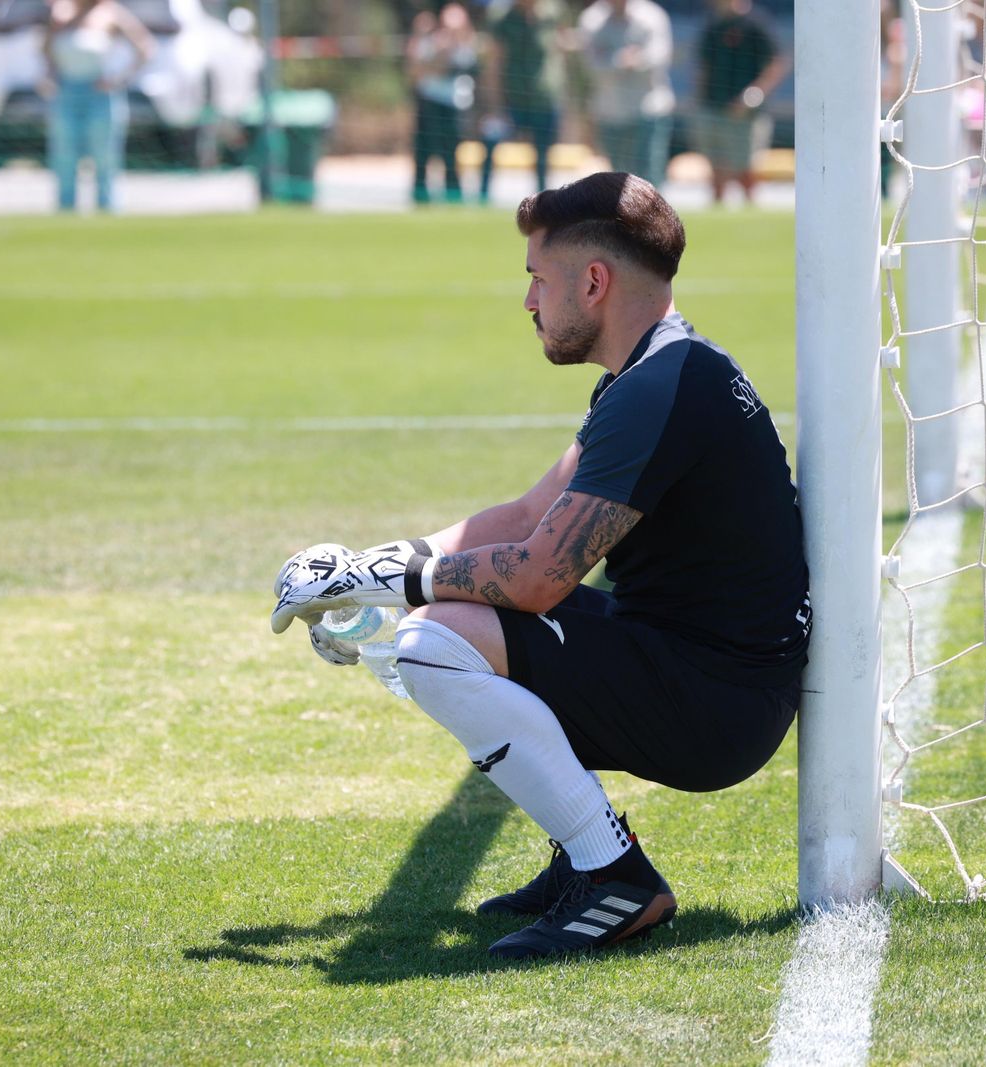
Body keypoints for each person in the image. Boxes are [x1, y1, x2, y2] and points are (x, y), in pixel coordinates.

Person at [271, 172, 810, 960]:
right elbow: (526, 520)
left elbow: (536, 577)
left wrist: (379, 581)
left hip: (717, 703)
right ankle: (582, 857)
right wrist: (367, 564)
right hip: (698, 668)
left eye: (536, 278)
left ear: (594, 281)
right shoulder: (658, 370)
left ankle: (614, 878)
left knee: (431, 643)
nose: (528, 301)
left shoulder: (663, 385)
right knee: (442, 624)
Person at [41, 0, 155, 214]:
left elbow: (145, 48)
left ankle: (107, 207)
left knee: (104, 155)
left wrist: (119, 79)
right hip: (66, 91)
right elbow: (46, 49)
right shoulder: (61, 12)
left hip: (100, 93)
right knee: (64, 153)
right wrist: (49, 76)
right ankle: (65, 209)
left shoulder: (111, 13)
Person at [693, 0, 785, 205]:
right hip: (712, 107)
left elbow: (775, 63)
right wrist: (699, 101)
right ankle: (717, 211)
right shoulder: (713, 24)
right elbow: (704, 65)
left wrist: (754, 95)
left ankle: (751, 209)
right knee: (716, 166)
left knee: (745, 168)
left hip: (746, 113)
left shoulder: (755, 23)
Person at [578, 0, 675, 188]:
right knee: (620, 179)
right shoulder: (592, 20)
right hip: (610, 111)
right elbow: (590, 65)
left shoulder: (652, 16)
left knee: (649, 175)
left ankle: (653, 217)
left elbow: (660, 56)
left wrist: (636, 60)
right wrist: (620, 61)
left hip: (648, 109)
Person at [480, 0, 568, 200]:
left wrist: (563, 92)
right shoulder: (501, 17)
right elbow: (494, 62)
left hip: (544, 98)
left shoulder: (553, 12)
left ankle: (543, 203)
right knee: (491, 142)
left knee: (543, 157)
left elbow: (560, 50)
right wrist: (495, 104)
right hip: (513, 99)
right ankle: (482, 197)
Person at [408, 2, 480, 205]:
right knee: (424, 152)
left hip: (454, 107)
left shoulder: (467, 48)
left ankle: (453, 193)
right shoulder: (431, 43)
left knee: (450, 155)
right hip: (430, 103)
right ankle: (421, 195)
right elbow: (417, 72)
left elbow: (449, 68)